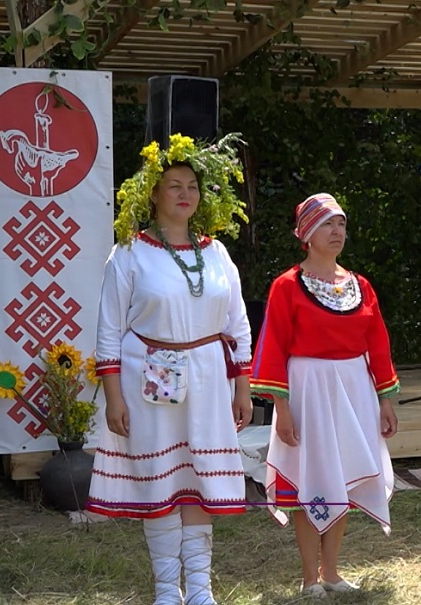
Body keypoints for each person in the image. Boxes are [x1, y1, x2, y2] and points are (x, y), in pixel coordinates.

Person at [89, 134, 253, 605]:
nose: (185, 193)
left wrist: (242, 388)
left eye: (193, 186)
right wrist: (113, 398)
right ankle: (167, 588)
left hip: (207, 378)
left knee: (198, 480)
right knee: (161, 480)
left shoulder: (217, 254)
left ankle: (199, 588)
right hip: (148, 377)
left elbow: (238, 325)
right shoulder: (129, 253)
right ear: (153, 194)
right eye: (174, 185)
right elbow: (108, 331)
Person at [251, 193, 400, 598]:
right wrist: (282, 408)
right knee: (312, 478)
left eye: (341, 224)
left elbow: (378, 344)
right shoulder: (287, 286)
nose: (336, 232)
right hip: (309, 391)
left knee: (343, 475)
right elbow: (273, 346)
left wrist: (385, 399)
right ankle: (309, 577)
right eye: (327, 224)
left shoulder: (360, 285)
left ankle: (331, 571)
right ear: (306, 234)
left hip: (355, 390)